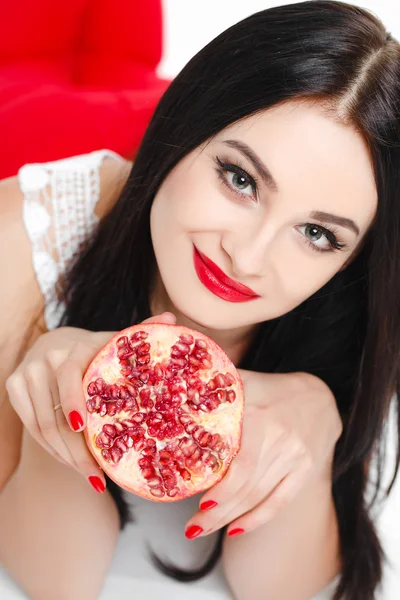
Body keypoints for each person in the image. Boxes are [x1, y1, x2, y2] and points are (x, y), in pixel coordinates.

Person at [1, 0, 400, 598]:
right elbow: (56, 582)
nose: (249, 257)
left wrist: (315, 422)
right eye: (241, 179)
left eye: (318, 234)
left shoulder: (349, 305)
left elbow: (284, 590)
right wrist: (59, 417)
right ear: (184, 129)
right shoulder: (21, 242)